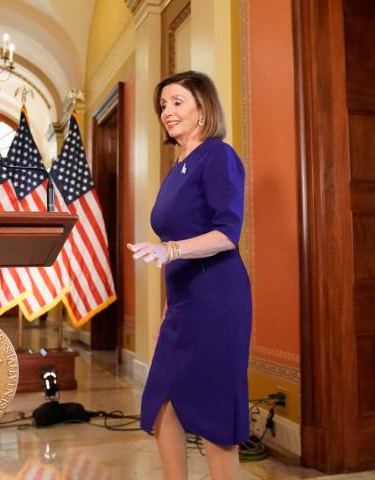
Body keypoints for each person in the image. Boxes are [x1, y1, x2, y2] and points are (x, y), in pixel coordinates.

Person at [127, 70, 251, 480]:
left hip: (217, 298)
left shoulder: (218, 156)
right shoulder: (178, 166)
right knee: (162, 402)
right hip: (183, 302)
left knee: (215, 415)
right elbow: (174, 241)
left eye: (178, 102)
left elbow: (226, 234)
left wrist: (170, 250)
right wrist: (167, 312)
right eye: (163, 105)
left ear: (204, 108)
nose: (167, 111)